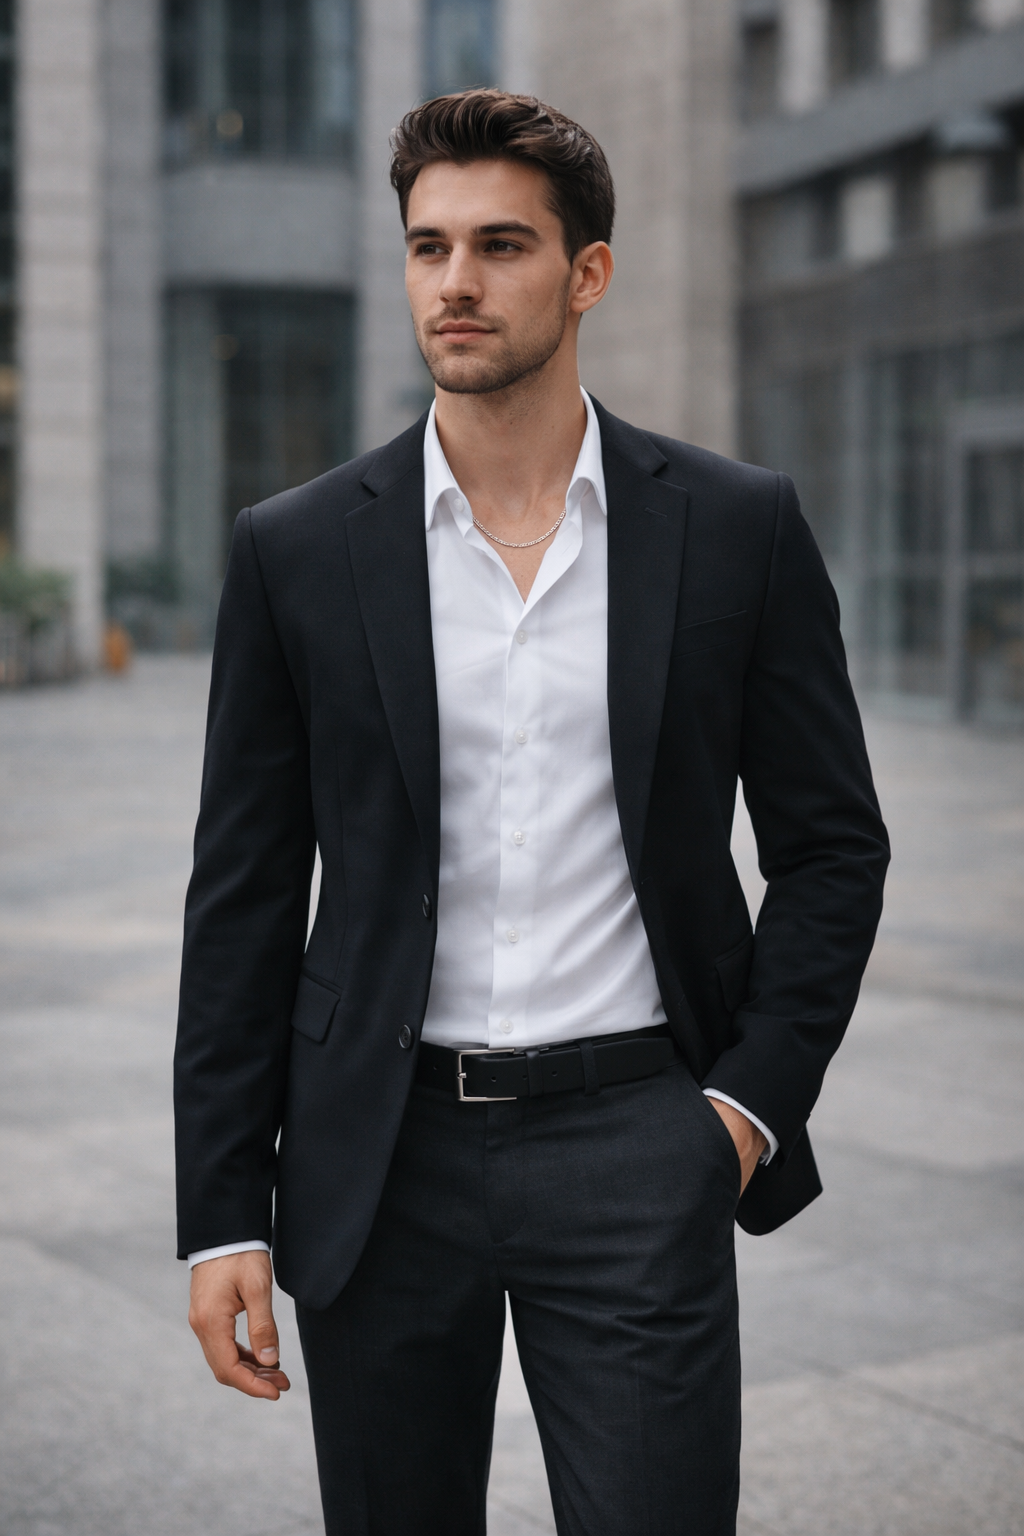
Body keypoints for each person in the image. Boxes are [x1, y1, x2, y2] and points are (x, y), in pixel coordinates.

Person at [175, 89, 889, 1536]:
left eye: (502, 244)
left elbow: (832, 847)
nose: (456, 281)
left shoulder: (736, 527)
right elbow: (244, 898)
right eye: (429, 246)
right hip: (377, 1157)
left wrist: (740, 1112)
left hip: (639, 1137)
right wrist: (221, 1210)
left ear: (587, 273)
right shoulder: (298, 549)